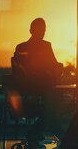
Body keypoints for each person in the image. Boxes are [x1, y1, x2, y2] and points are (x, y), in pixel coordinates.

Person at [13, 17, 63, 146]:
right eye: (42, 30)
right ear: (31, 30)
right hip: (40, 91)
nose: (43, 33)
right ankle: (38, 133)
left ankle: (36, 133)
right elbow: (54, 65)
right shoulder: (46, 46)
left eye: (44, 30)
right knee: (54, 106)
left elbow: (18, 73)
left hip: (28, 93)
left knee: (52, 107)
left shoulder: (21, 47)